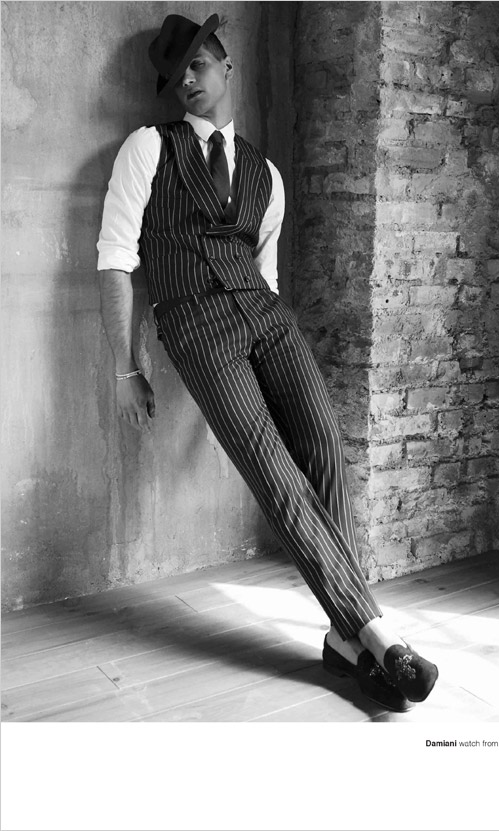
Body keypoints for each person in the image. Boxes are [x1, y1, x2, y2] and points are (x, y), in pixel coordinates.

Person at [97, 12, 438, 713]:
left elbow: (267, 272)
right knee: (274, 473)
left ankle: (344, 640)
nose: (187, 82)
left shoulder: (267, 174)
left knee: (327, 452)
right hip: (195, 323)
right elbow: (115, 260)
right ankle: (380, 637)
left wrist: (270, 320)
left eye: (198, 65)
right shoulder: (148, 148)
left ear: (227, 66)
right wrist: (126, 368)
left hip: (267, 316)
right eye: (175, 76)